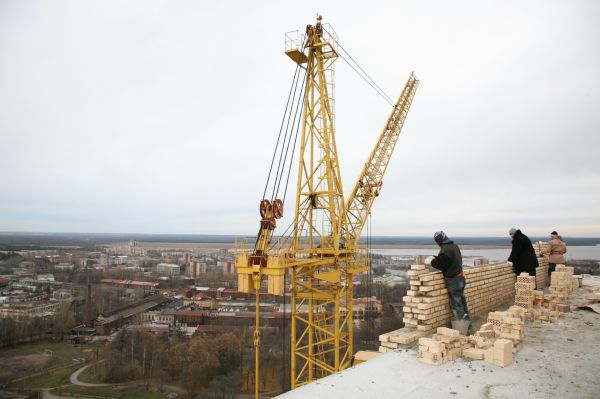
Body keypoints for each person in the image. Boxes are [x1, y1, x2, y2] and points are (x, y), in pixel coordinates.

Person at [425, 231, 470, 321]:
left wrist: (431, 262)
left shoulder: (445, 249)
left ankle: (463, 328)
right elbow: (450, 261)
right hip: (460, 277)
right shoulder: (454, 246)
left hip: (453, 280)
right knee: (462, 302)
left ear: (438, 241)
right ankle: (468, 324)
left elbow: (443, 264)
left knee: (457, 304)